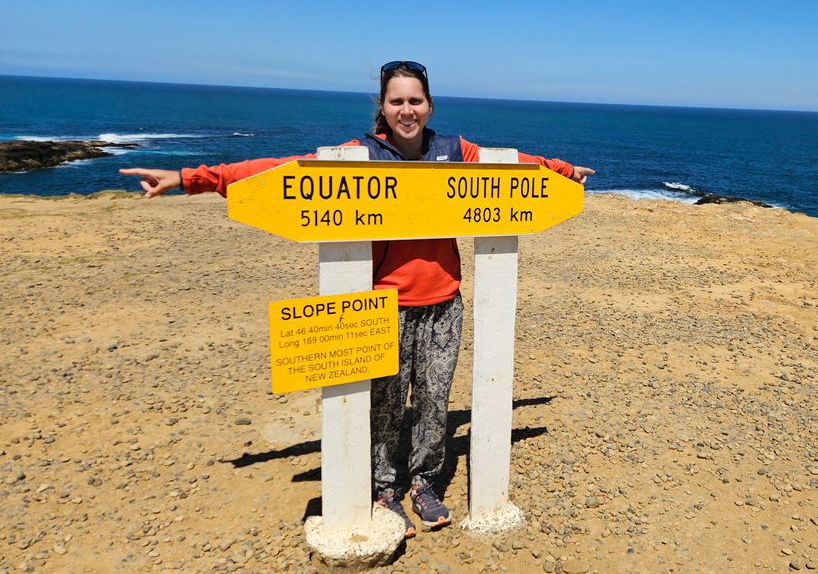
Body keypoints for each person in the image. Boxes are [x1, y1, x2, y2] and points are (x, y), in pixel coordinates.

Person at [120, 61, 595, 537]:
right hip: (383, 306)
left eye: (415, 100)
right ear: (382, 107)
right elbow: (282, 170)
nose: (406, 110)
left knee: (433, 403)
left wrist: (563, 170)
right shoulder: (358, 155)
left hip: (444, 303)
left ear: (429, 106)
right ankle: (386, 490)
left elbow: (513, 166)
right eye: (397, 101)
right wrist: (191, 177)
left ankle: (425, 483)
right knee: (385, 405)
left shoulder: (455, 151)